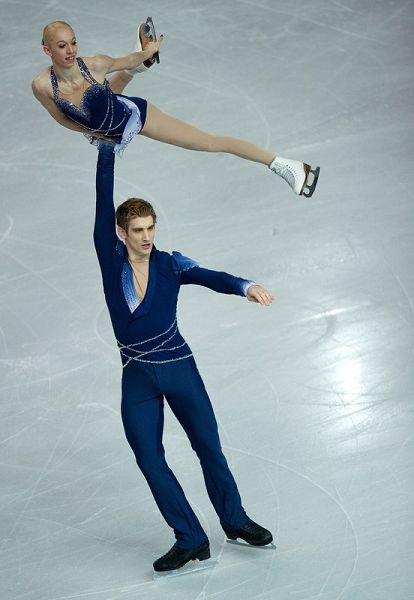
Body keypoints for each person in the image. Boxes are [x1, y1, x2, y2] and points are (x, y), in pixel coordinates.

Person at [94, 142, 274, 572]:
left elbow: (213, 276)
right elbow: (102, 203)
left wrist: (244, 285)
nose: (147, 237)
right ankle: (190, 537)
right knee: (149, 459)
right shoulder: (109, 257)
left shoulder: (171, 264)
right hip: (136, 377)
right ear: (122, 232)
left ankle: (235, 520)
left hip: (179, 369)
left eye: (150, 228)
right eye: (137, 230)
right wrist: (105, 150)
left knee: (208, 447)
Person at [32, 20, 320, 198]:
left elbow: (128, 57)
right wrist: (90, 132)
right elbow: (61, 118)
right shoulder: (43, 86)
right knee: (102, 100)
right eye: (61, 46)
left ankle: (288, 166)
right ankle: (138, 72)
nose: (70, 50)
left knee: (209, 142)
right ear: (48, 51)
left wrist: (146, 53)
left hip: (135, 117)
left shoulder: (95, 64)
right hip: (104, 114)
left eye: (73, 42)